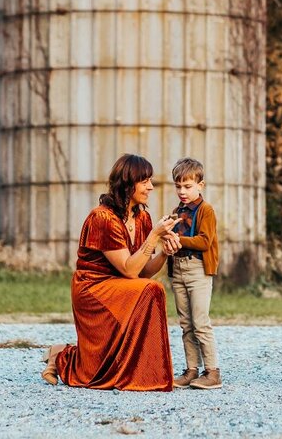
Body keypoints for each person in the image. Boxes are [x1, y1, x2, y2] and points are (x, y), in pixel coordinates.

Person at [40, 154, 179, 391]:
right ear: (128, 183)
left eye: (150, 181)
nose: (151, 187)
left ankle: (146, 373)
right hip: (92, 288)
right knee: (92, 371)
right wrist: (154, 237)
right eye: (145, 181)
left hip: (120, 285)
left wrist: (165, 253)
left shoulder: (142, 217)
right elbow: (128, 269)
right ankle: (62, 356)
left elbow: (142, 272)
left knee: (151, 290)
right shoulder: (103, 218)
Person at [166, 157, 222, 390]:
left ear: (200, 185)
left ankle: (212, 371)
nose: (182, 191)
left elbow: (204, 241)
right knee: (186, 323)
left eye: (187, 186)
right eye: (178, 186)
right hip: (178, 269)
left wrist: (177, 239)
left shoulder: (205, 210)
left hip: (197, 269)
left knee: (200, 322)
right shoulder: (176, 212)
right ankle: (191, 369)